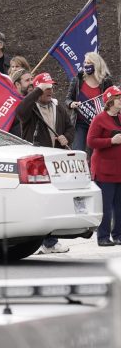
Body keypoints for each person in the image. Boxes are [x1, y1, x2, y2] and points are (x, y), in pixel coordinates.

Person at [15, 72, 74, 255]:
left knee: (52, 203)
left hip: (55, 160)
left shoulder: (58, 107)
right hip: (36, 162)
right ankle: (38, 242)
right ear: (38, 89)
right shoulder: (31, 107)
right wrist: (35, 91)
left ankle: (49, 242)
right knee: (38, 202)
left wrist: (67, 137)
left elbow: (70, 127)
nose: (50, 91)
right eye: (46, 88)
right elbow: (20, 112)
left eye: (51, 87)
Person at [86, 85, 121, 247]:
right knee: (106, 207)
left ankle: (118, 235)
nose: (120, 101)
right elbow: (91, 141)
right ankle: (103, 237)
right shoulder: (99, 119)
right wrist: (111, 141)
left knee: (119, 206)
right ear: (110, 101)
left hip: (119, 170)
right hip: (104, 171)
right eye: (118, 98)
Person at [65, 52, 113, 153]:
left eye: (89, 62)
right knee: (78, 152)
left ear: (97, 64)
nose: (86, 65)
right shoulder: (78, 79)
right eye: (85, 62)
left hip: (98, 123)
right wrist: (71, 104)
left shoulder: (106, 82)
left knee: (95, 154)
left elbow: (112, 101)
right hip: (80, 123)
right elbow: (68, 99)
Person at [8, 68, 34, 138]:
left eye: (32, 79)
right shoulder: (9, 105)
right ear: (17, 84)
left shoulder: (36, 101)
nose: (31, 82)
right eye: (27, 80)